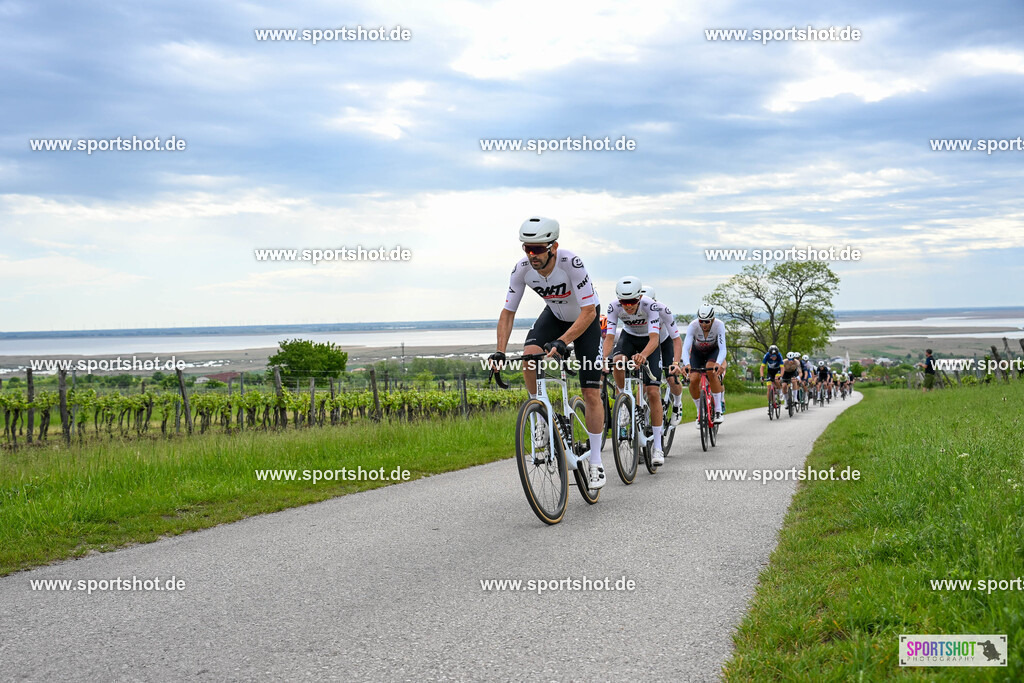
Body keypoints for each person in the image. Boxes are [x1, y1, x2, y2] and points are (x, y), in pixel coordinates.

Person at [491, 217, 607, 489]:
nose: (531, 255)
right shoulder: (521, 270)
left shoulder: (571, 263)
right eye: (526, 249)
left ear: (553, 246)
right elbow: (508, 314)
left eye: (537, 249)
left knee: (591, 392)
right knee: (530, 353)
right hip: (554, 314)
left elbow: (589, 311)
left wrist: (563, 342)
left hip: (585, 319)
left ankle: (597, 462)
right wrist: (499, 351)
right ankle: (539, 415)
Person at [602, 277, 665, 466]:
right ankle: (623, 399)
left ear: (640, 297)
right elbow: (609, 338)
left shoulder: (650, 306)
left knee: (653, 391)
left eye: (631, 302)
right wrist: (604, 360)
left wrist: (644, 355)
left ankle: (658, 447)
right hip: (629, 337)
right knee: (617, 361)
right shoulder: (614, 307)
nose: (627, 306)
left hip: (649, 341)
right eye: (624, 302)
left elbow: (654, 339)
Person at [638, 286, 684, 426]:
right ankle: (642, 414)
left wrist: (676, 363)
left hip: (664, 342)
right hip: (648, 344)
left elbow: (676, 338)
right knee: (644, 384)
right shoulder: (637, 310)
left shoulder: (662, 310)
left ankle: (677, 404)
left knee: (671, 376)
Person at [682, 304, 727, 425]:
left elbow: (723, 348)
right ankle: (699, 411)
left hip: (713, 351)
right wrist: (686, 364)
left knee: (710, 371)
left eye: (707, 321)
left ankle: (718, 411)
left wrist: (718, 363)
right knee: (693, 379)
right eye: (701, 321)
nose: (704, 324)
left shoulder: (719, 325)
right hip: (697, 353)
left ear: (712, 319)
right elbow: (685, 348)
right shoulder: (693, 325)